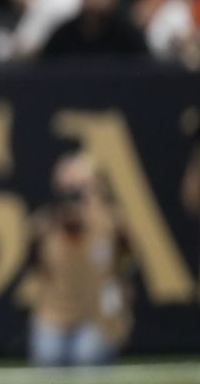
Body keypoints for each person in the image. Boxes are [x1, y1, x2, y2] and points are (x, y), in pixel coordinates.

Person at [25, 152, 134, 366]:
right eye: (68, 189)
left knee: (88, 355)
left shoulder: (110, 223)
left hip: (97, 317)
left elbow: (127, 260)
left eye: (80, 188)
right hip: (55, 313)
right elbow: (33, 268)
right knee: (49, 355)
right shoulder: (45, 226)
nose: (73, 197)